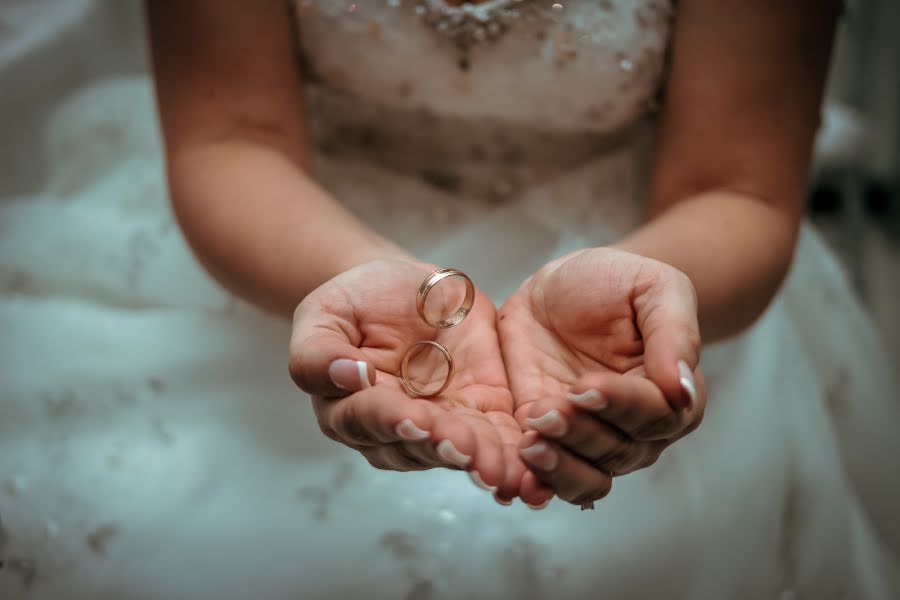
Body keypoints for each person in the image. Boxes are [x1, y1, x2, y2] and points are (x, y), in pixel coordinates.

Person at [0, 0, 897, 598]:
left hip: (644, 249)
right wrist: (356, 277)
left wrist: (648, 286)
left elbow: (738, 187)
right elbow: (231, 137)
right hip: (296, 233)